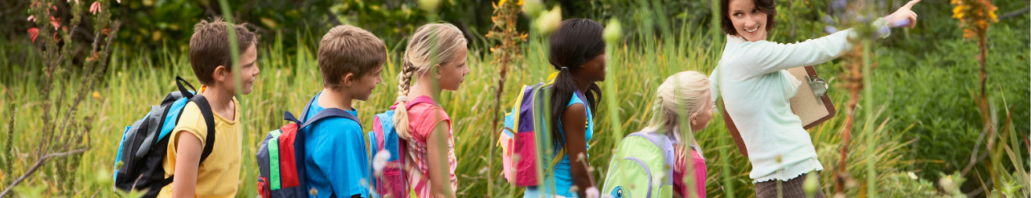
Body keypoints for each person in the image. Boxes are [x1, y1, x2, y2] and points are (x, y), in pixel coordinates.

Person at [710, 0, 921, 196]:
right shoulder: (751, 55)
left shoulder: (731, 56)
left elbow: (709, 97)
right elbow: (819, 49)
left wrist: (754, 127)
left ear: (766, 8)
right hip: (788, 176)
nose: (749, 21)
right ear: (728, 18)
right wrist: (885, 22)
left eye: (755, 10)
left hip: (778, 177)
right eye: (738, 14)